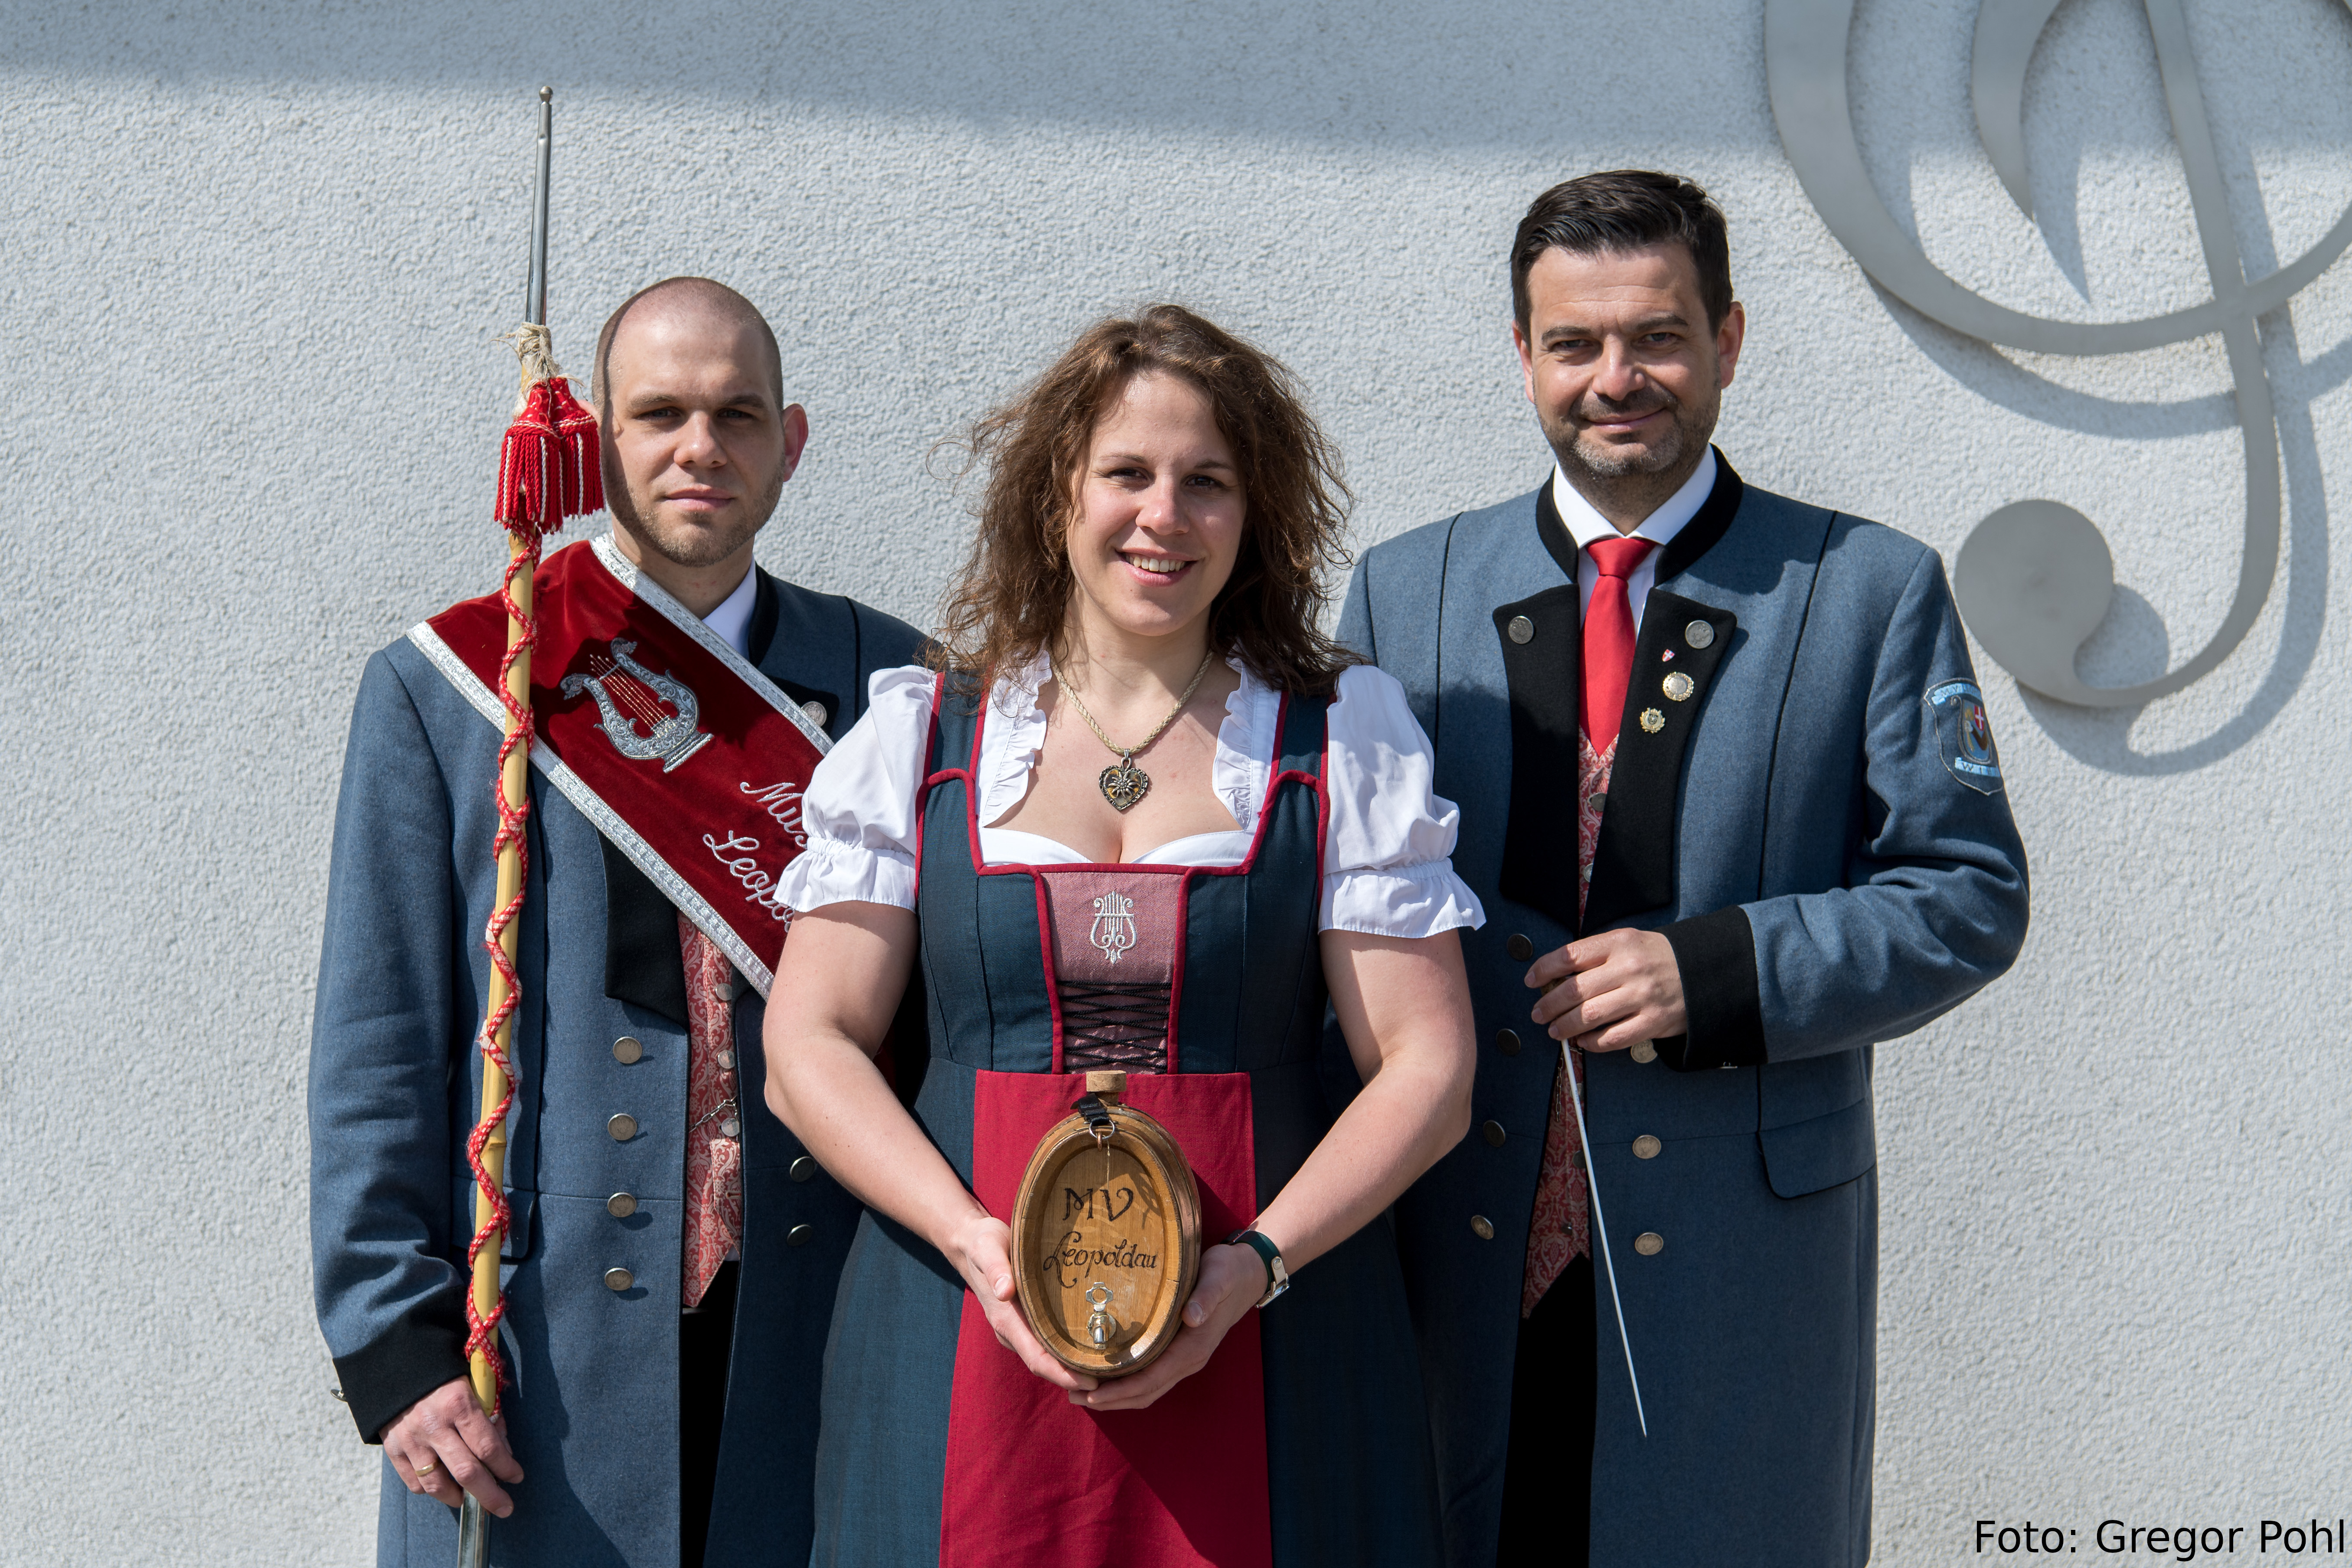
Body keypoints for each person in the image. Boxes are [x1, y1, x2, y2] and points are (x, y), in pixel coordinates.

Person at [1338, 172, 2031, 1566]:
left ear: (1728, 339)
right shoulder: (1400, 589)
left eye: (1656, 337)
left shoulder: (1870, 587)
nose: (1617, 379)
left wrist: (1716, 970)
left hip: (1742, 1270)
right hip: (1448, 1248)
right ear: (1522, 355)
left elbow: (1968, 895)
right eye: (1574, 344)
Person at [763, 304, 1479, 1567]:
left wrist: (1255, 1266)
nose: (1165, 515)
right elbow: (808, 1043)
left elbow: (1427, 1070)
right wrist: (976, 1247)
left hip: (1269, 1326)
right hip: (954, 1322)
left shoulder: (1341, 740)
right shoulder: (922, 737)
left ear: (1255, 515)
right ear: (1058, 496)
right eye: (1127, 475)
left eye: (1208, 481)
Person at [308, 277, 925, 1568]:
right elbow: (379, 1043)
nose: (702, 448)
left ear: (791, 440)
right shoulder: (460, 685)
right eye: (661, 415)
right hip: (537, 1350)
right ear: (596, 438)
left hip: (818, 1333)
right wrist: (397, 1347)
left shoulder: (891, 687)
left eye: (737, 415)